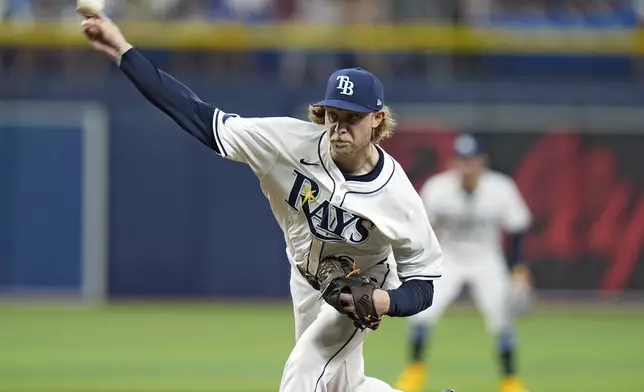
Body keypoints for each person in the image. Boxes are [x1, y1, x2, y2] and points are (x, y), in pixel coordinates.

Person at [78, 10, 445, 392]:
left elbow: (424, 284)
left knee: (305, 370)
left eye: (352, 117)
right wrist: (123, 50)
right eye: (332, 114)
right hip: (306, 279)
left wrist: (384, 301)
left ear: (377, 119)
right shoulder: (287, 143)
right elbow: (199, 117)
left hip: (361, 287)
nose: (338, 127)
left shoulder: (397, 196)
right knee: (343, 386)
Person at [395, 133, 533, 392]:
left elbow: (517, 231)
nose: (466, 166)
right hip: (448, 258)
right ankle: (414, 372)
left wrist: (519, 269)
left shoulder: (500, 188)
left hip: (486, 259)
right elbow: (420, 230)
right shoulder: (438, 188)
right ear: (453, 163)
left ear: (482, 162)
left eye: (471, 160)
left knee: (502, 318)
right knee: (422, 313)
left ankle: (511, 381)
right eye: (461, 160)